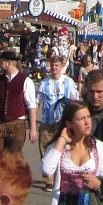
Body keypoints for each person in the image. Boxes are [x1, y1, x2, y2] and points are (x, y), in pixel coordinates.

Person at [40, 100, 103, 205]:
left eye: (88, 117)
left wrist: (97, 183)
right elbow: (46, 170)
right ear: (69, 124)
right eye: (81, 119)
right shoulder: (59, 148)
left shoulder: (99, 147)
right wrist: (62, 140)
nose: (87, 122)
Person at [36, 56, 78, 191]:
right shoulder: (44, 83)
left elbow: (75, 100)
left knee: (64, 150)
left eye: (57, 66)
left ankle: (63, 178)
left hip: (63, 123)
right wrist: (31, 122)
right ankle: (48, 179)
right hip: (47, 121)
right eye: (52, 65)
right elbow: (37, 102)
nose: (54, 68)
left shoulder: (68, 82)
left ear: (61, 66)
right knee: (45, 148)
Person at [0, 51, 37, 152]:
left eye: (1, 62)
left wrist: (33, 129)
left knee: (13, 160)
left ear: (8, 64)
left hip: (17, 125)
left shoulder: (26, 81)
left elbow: (31, 107)